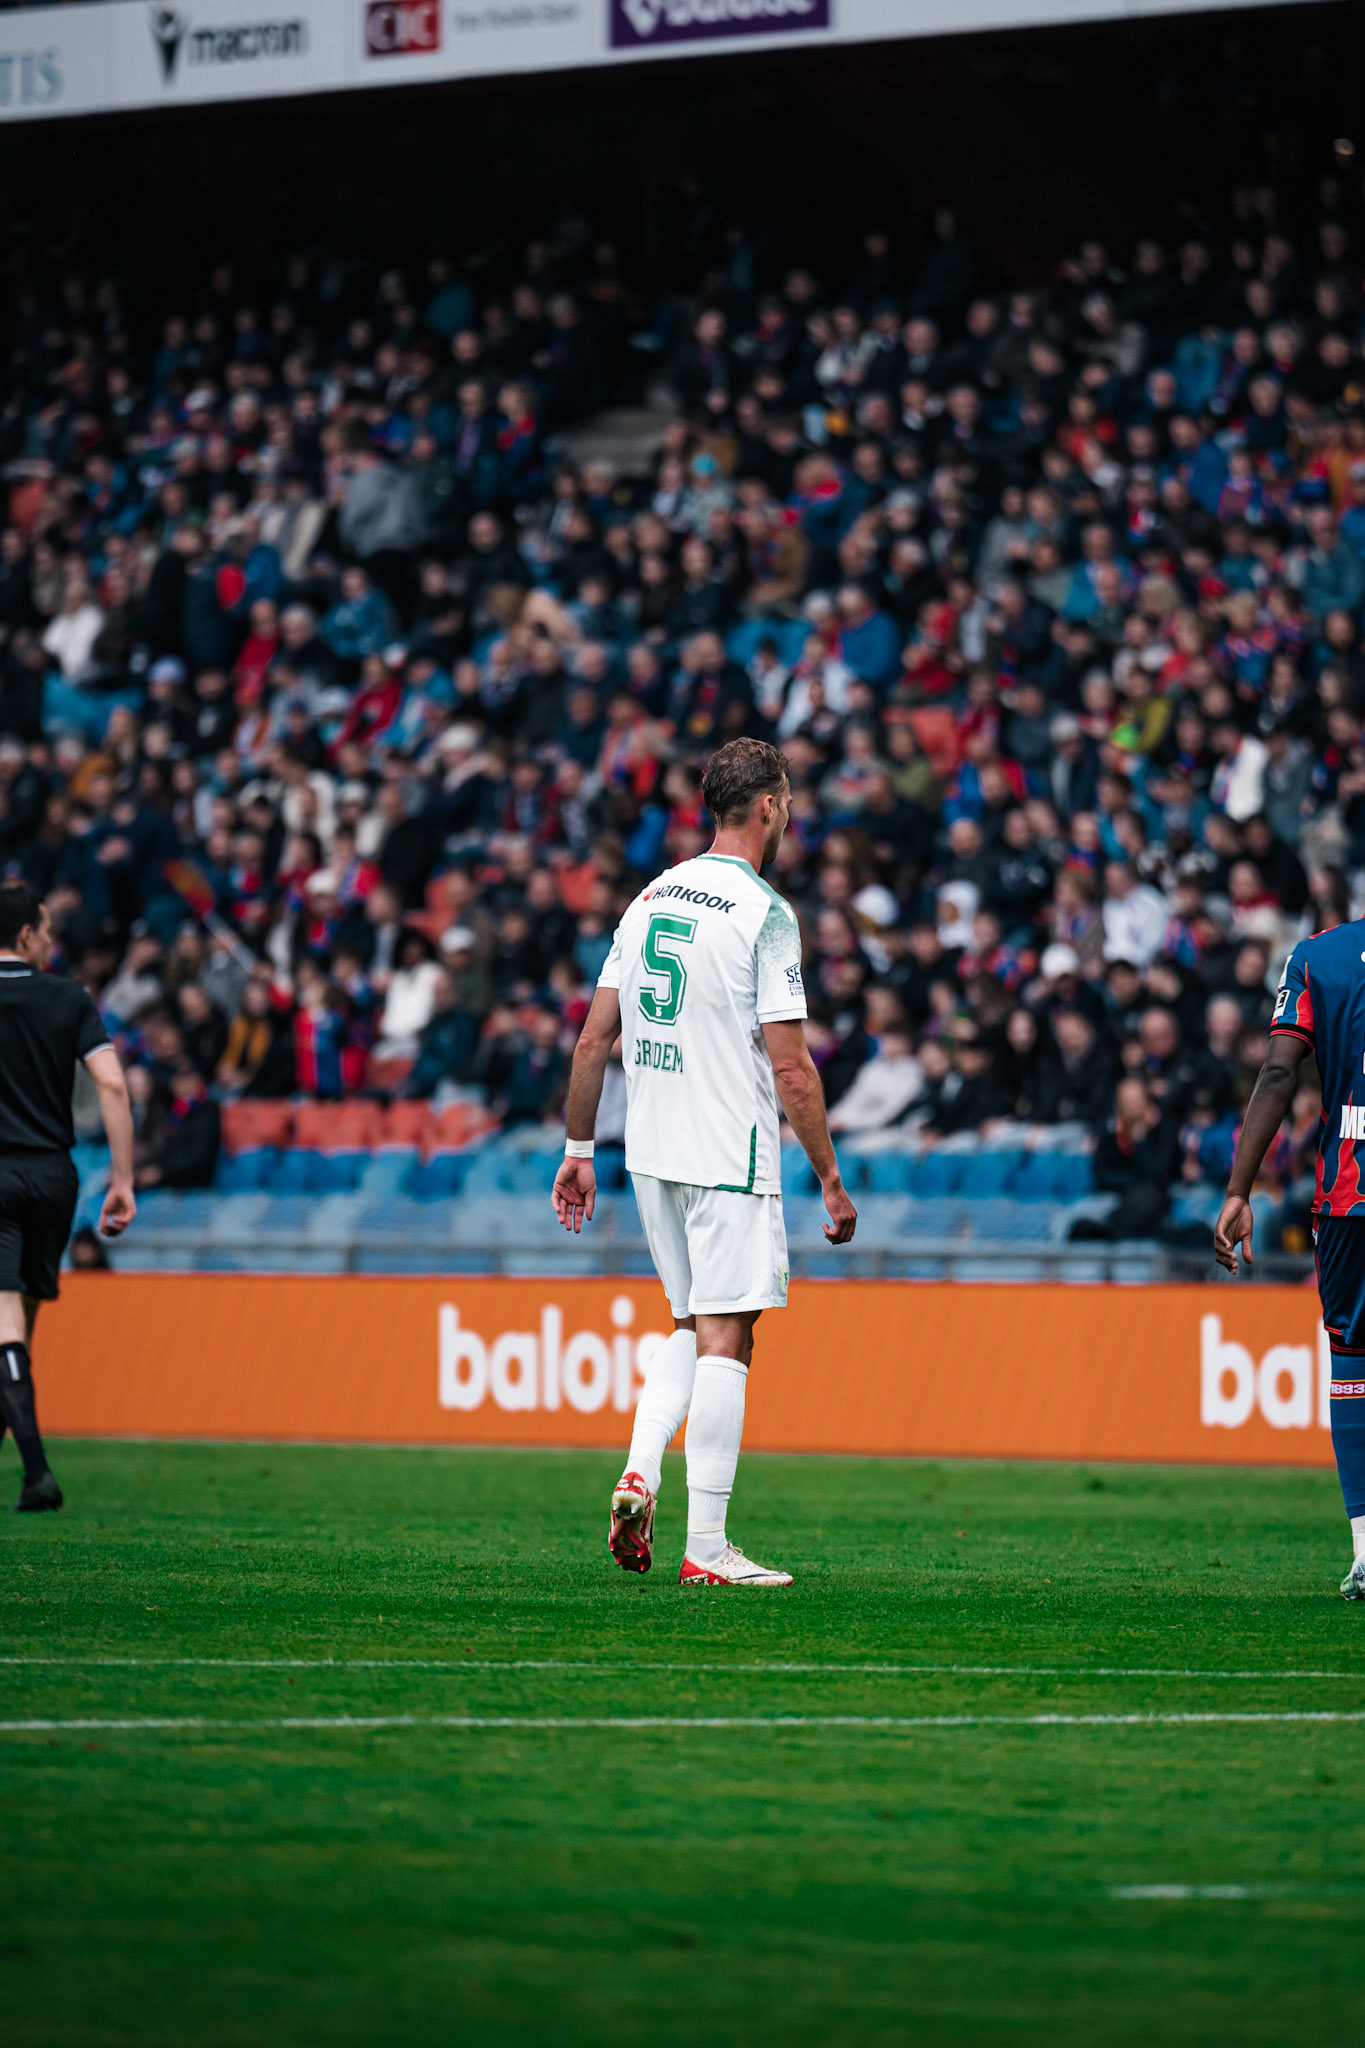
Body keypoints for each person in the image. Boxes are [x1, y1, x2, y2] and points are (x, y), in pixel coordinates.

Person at [552, 737, 857, 1588]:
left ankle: (640, 1468)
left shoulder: (649, 897)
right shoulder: (763, 913)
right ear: (766, 806)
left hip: (650, 1151)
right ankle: (707, 1548)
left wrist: (580, 1151)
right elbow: (790, 1067)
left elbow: (591, 1040)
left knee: (689, 1323)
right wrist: (829, 1177)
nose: (789, 812)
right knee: (730, 1337)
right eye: (786, 799)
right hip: (728, 1149)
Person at [1215, 920, 1365, 1597]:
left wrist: (1238, 1188)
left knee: (1351, 1360)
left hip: (1349, 1193)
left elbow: (1278, 1070)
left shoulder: (1318, 955)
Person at [0, 880, 135, 1510]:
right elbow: (111, 1085)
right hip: (54, 1176)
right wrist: (124, 1180)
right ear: (26, 935)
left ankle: (36, 1472)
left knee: (5, 1331)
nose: (52, 940)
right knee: (21, 1328)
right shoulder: (68, 998)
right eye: (48, 930)